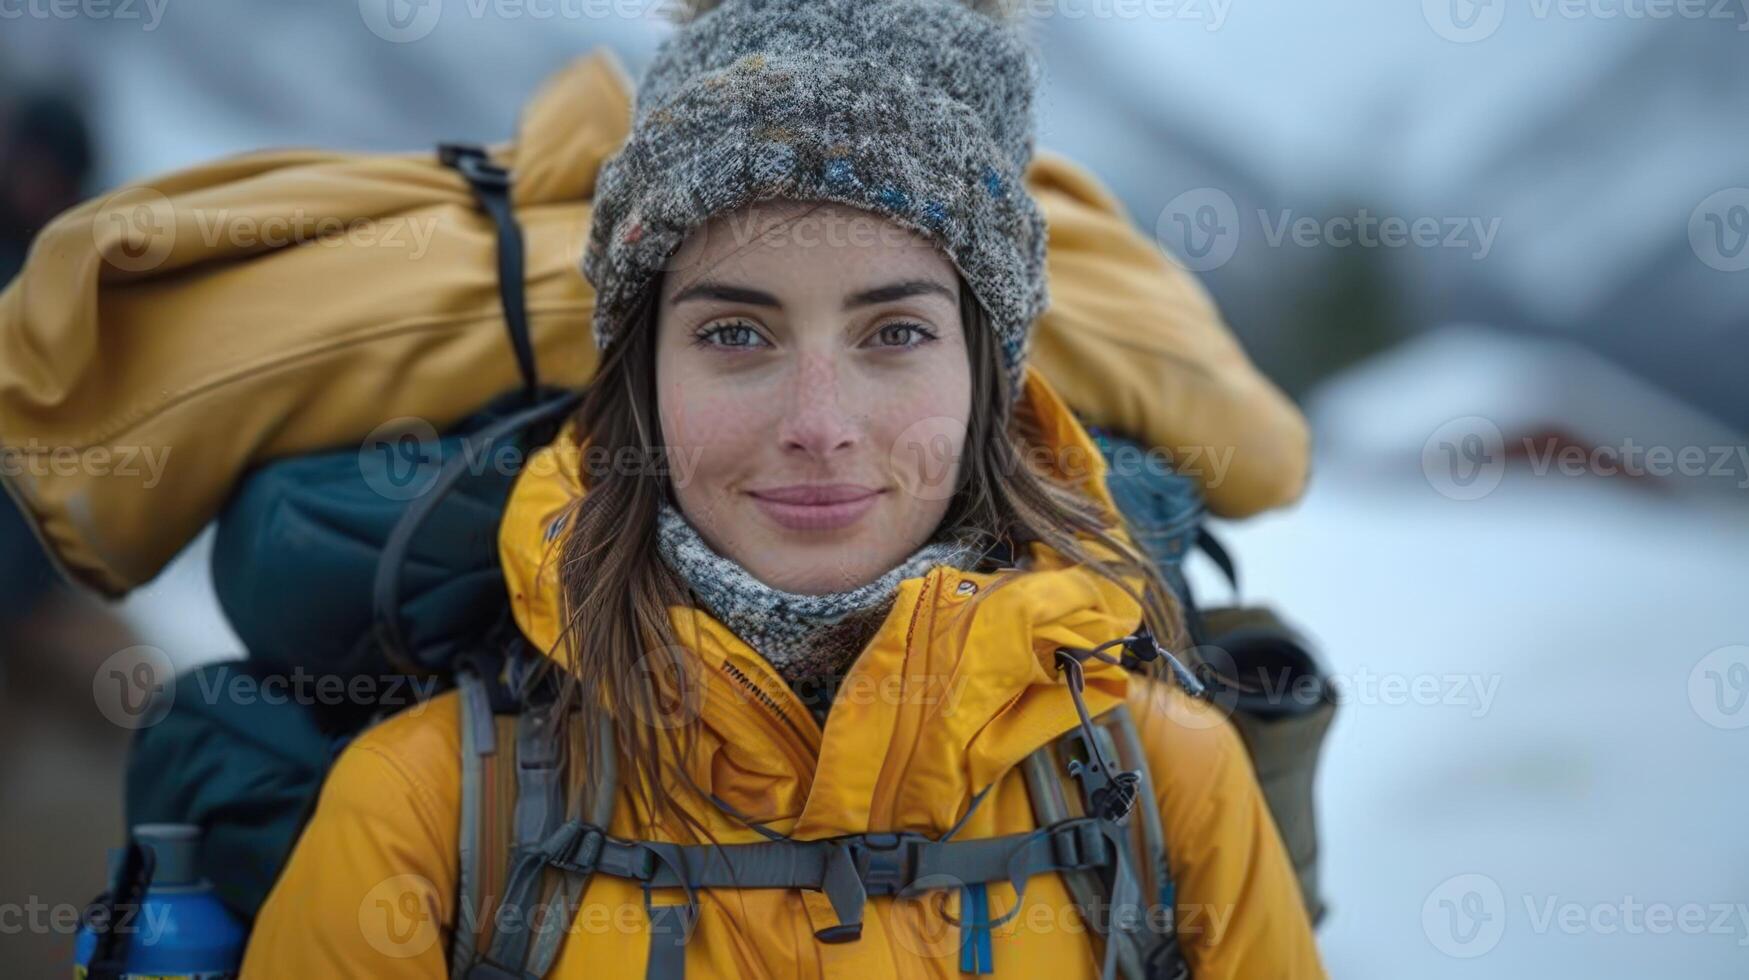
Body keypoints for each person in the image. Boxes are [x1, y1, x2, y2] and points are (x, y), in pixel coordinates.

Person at [242, 0, 1326, 976]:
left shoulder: (1172, 786)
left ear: (988, 375)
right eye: (733, 332)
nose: (817, 425)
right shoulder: (427, 815)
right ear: (642, 377)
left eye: (895, 331)